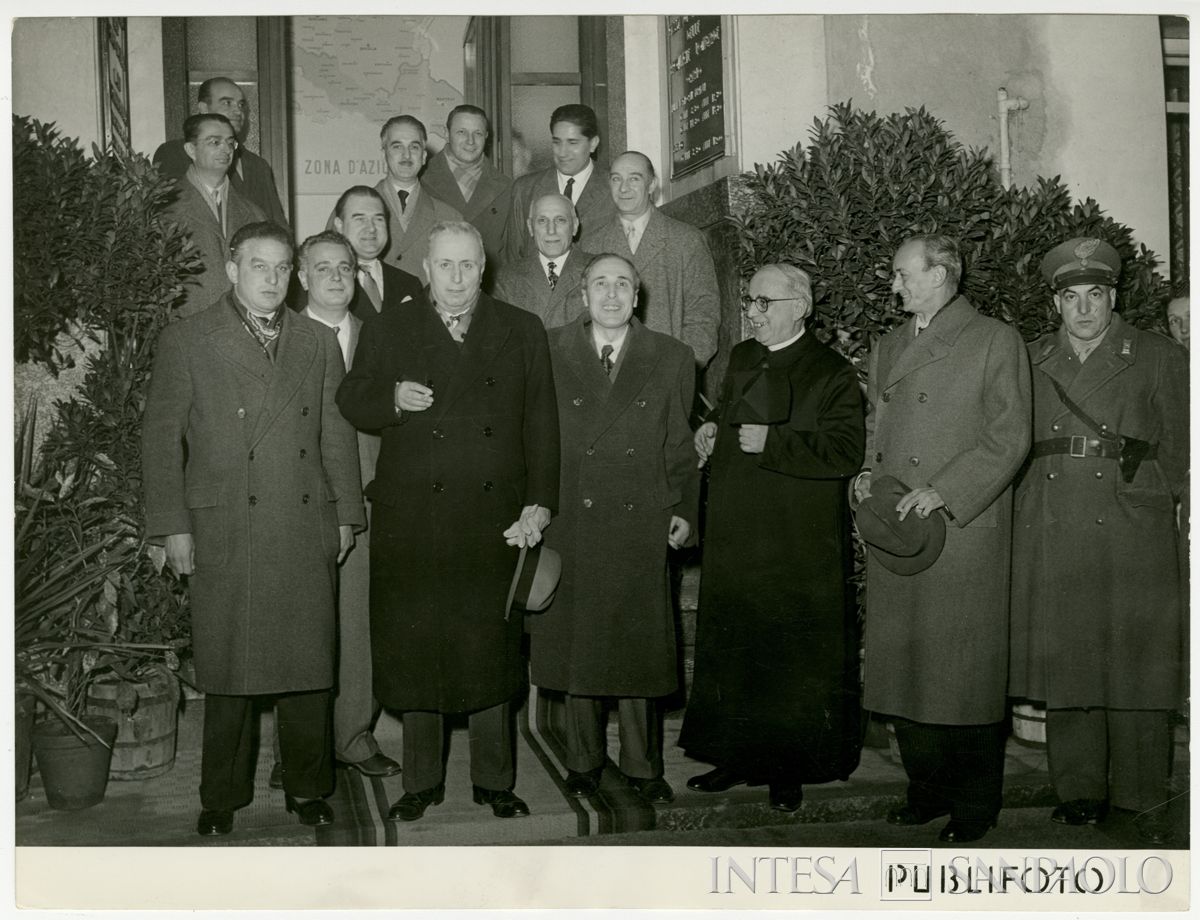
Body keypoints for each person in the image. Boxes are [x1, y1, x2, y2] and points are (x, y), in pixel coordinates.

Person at [142, 221, 364, 836]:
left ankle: (308, 786)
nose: (272, 279)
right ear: (232, 268)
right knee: (229, 670)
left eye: (282, 267)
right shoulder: (188, 339)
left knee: (307, 667)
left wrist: (345, 513)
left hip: (302, 520)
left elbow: (335, 436)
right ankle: (221, 795)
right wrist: (170, 527)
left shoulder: (317, 343)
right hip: (224, 524)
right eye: (258, 266)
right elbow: (161, 441)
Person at [336, 221, 559, 823]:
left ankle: (494, 781)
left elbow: (542, 422)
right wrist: (391, 399)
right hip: (415, 516)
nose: (457, 278)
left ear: (481, 269)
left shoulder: (519, 329)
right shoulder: (390, 326)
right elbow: (351, 398)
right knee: (417, 648)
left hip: (495, 517)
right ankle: (421, 781)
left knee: (490, 648)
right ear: (427, 270)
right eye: (445, 266)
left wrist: (539, 501)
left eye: (468, 266)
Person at [1009, 237, 1188, 845]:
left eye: (1096, 294)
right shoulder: (1029, 360)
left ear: (1113, 297)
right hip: (1054, 522)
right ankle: (1080, 790)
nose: (1083, 307)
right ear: (1055, 303)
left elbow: (1186, 452)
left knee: (1137, 664)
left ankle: (1141, 796)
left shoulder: (1159, 356)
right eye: (1070, 296)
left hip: (1132, 524)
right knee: (1070, 657)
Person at [853, 234, 1031, 844]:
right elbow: (879, 425)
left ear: (942, 274)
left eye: (903, 273)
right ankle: (924, 790)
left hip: (962, 529)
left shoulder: (992, 339)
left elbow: (1009, 438)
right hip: (900, 529)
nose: (893, 283)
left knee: (963, 676)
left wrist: (947, 491)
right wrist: (870, 476)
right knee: (905, 669)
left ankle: (975, 805)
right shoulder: (889, 345)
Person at [679, 263, 865, 812]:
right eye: (750, 301)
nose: (753, 312)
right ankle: (734, 757)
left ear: (799, 307)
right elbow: (735, 420)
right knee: (736, 648)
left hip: (795, 543)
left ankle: (790, 770)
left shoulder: (831, 371)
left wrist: (777, 442)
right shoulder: (741, 357)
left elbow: (845, 453)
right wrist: (713, 429)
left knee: (789, 656)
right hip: (738, 534)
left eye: (764, 302)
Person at [529, 253, 699, 804]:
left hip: (640, 513)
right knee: (581, 644)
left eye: (621, 284)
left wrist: (684, 510)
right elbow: (533, 436)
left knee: (636, 649)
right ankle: (582, 760)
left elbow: (679, 440)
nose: (610, 294)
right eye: (600, 283)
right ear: (582, 293)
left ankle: (644, 765)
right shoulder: (550, 349)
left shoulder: (671, 355)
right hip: (571, 515)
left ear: (637, 294)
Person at [295, 230, 402, 780]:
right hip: (298, 502)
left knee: (359, 622)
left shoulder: (380, 337)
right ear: (302, 277)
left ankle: (354, 736)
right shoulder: (282, 335)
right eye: (323, 268)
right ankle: (302, 744)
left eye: (345, 268)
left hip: (367, 496)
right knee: (302, 627)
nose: (336, 277)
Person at [580, 151, 720, 368]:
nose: (624, 188)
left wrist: (682, 367)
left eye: (634, 179)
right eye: (616, 179)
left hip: (666, 371)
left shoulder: (686, 239)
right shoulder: (591, 245)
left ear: (652, 184)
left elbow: (704, 313)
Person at [164, 113, 265, 317]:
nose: (226, 149)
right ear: (191, 149)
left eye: (230, 142)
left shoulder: (254, 214)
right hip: (186, 328)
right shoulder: (165, 208)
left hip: (243, 328)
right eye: (214, 142)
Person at [153, 76, 287, 227]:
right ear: (203, 109)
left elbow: (277, 223)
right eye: (227, 103)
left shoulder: (258, 165)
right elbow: (171, 216)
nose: (238, 111)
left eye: (241, 104)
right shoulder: (173, 152)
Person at [505, 104, 616, 263]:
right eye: (557, 142)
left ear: (593, 144)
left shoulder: (614, 188)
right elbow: (514, 261)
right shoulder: (525, 190)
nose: (562, 152)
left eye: (572, 143)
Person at [363, 115, 462, 282]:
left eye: (414, 147)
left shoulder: (450, 219)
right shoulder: (353, 210)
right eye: (397, 146)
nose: (406, 155)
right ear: (383, 154)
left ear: (423, 156)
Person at [420, 105, 513, 275]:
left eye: (477, 133)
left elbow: (511, 253)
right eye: (461, 132)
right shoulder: (421, 180)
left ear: (486, 136)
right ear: (446, 134)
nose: (470, 141)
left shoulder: (507, 188)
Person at [494, 193, 593, 329]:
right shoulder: (506, 278)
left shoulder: (598, 270)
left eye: (560, 220)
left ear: (575, 225)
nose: (551, 230)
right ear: (530, 227)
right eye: (542, 221)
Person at [331, 185, 423, 321]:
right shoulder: (326, 282)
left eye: (378, 219)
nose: (371, 228)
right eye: (360, 219)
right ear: (339, 225)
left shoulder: (409, 284)